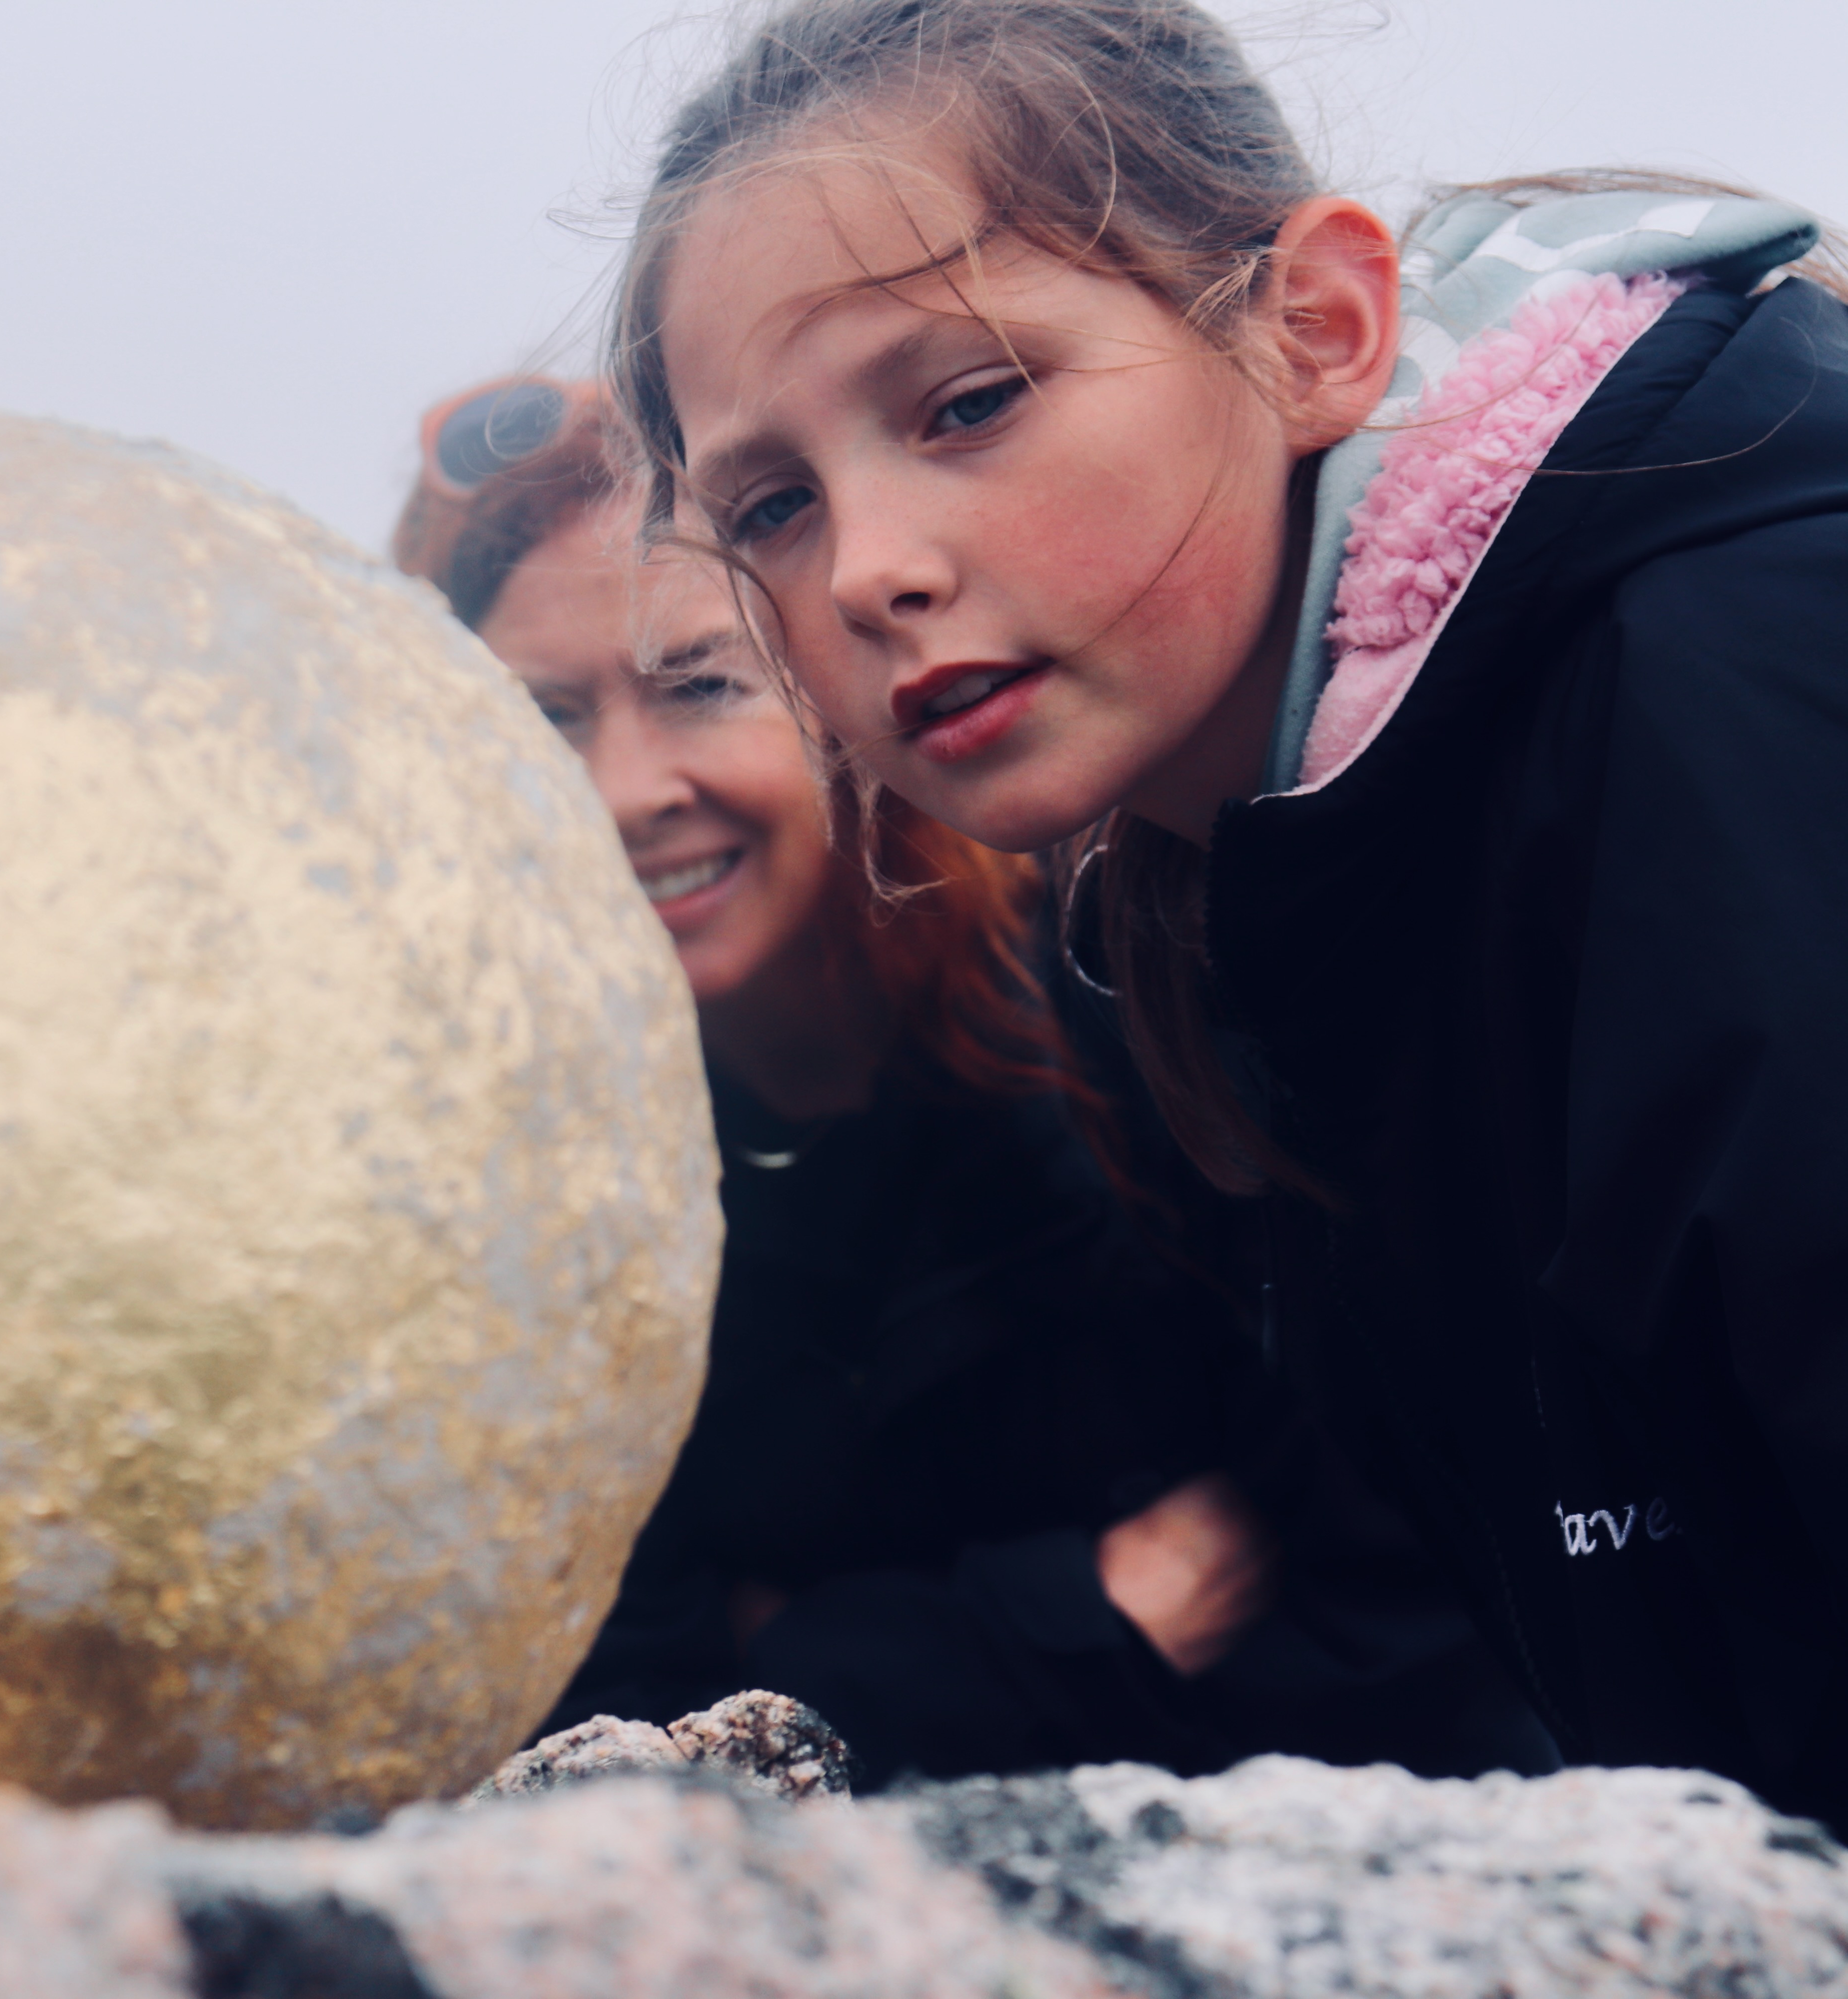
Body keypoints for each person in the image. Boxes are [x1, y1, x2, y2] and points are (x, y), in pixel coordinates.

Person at [606, 0, 1848, 1825]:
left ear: (1316, 331)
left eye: (971, 402)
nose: (867, 572)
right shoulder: (1233, 902)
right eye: (774, 506)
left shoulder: (1742, 695)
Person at [393, 378, 1551, 1787]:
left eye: (699, 685)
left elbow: (1410, 1589)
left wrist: (795, 1650)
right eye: (544, 720)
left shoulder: (1133, 992)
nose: (625, 791)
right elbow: (598, 1725)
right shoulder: (508, 1186)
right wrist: (1081, 1619)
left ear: (836, 672)